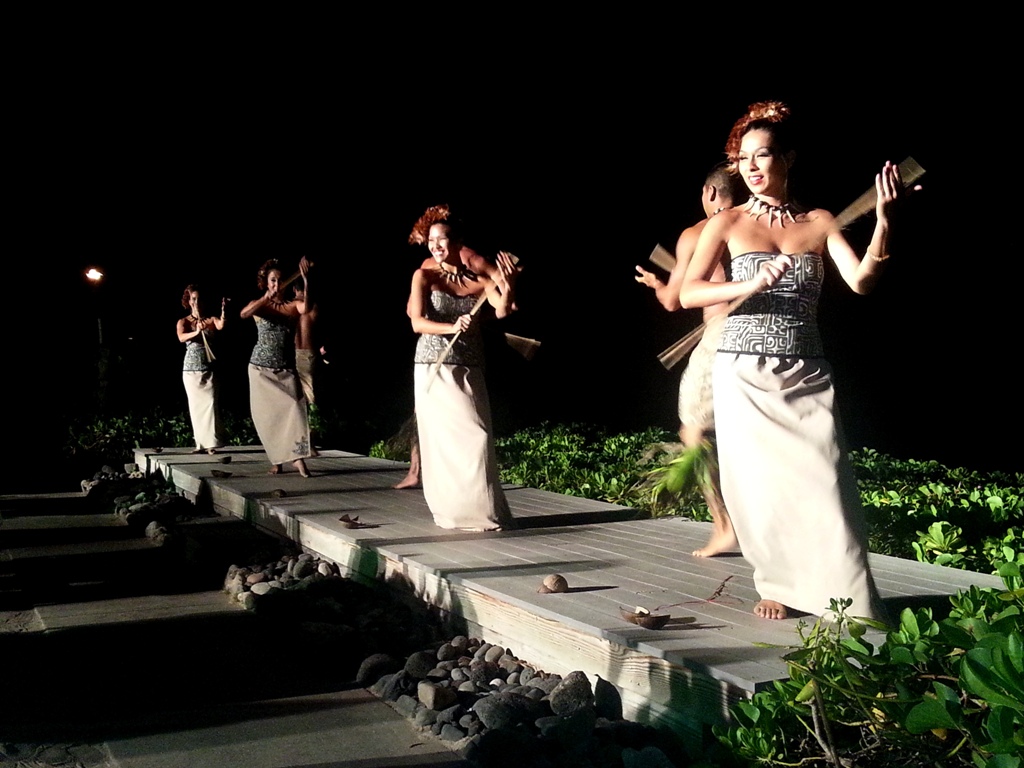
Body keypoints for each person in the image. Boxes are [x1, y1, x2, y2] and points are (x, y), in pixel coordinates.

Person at [681, 101, 910, 621]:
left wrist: (883, 222)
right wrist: (748, 284)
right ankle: (778, 586)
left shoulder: (819, 221)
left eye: (762, 155)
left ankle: (850, 599)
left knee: (828, 484)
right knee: (761, 489)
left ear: (787, 158)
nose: (752, 167)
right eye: (743, 159)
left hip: (806, 371)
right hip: (743, 372)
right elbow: (691, 292)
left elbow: (862, 281)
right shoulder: (728, 223)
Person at [635, 164, 742, 557]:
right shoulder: (757, 223)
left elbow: (673, 300)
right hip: (761, 334)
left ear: (710, 193)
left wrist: (657, 285)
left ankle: (725, 527)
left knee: (695, 432)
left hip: (721, 336)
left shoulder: (698, 233)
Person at [408, 207, 517, 530]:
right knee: (442, 443)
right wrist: (451, 326)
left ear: (457, 243)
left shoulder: (479, 280)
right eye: (431, 240)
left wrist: (509, 283)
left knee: (477, 435)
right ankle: (453, 512)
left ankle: (482, 510)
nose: (435, 245)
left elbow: (502, 309)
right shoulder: (424, 276)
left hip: (470, 364)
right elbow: (417, 323)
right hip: (433, 366)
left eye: (442, 240)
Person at [240, 258, 314, 477]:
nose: (277, 284)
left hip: (285, 369)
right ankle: (277, 462)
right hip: (260, 370)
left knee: (295, 409)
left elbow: (307, 307)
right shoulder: (261, 305)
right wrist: (265, 297)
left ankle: (298, 459)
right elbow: (243, 314)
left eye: (280, 280)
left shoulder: (292, 306)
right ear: (266, 283)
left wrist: (307, 281)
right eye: (273, 280)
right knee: (268, 419)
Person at [176, 285, 226, 454]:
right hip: (191, 370)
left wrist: (224, 312)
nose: (196, 302)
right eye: (193, 299)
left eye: (199, 299)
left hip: (209, 368)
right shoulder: (184, 321)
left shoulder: (210, 320)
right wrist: (196, 332)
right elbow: (181, 337)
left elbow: (220, 325)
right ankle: (200, 444)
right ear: (189, 301)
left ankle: (212, 443)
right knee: (196, 407)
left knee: (211, 403)